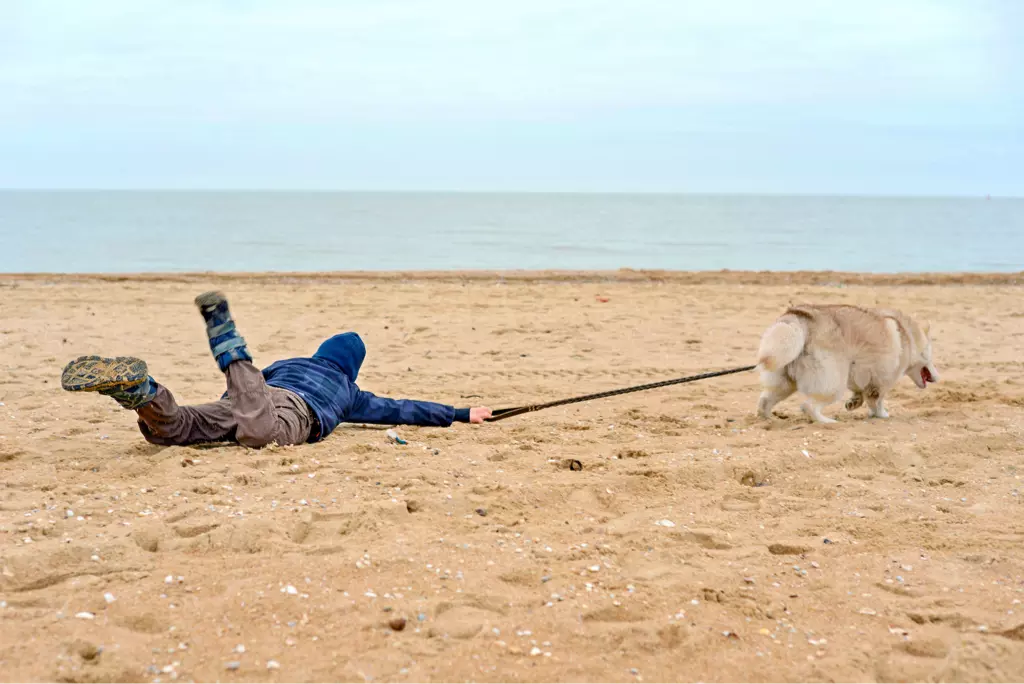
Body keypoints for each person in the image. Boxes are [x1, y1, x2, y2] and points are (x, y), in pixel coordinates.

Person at [60, 291, 492, 447]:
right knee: (261, 434)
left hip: (250, 397)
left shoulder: (292, 362)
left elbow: (257, 387)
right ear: (352, 368)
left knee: (174, 430)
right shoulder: (350, 391)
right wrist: (459, 413)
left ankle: (141, 392)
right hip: (287, 411)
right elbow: (402, 409)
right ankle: (228, 341)